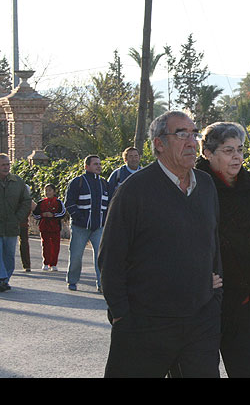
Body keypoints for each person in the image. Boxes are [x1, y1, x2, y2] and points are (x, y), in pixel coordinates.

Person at [98, 110, 224, 378]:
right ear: (159, 144)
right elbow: (111, 257)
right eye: (182, 134)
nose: (192, 142)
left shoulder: (205, 185)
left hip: (200, 322)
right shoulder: (134, 190)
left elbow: (213, 245)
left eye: (194, 134)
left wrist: (214, 298)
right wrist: (121, 315)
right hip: (145, 324)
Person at [188, 121, 250, 378]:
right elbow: (186, 241)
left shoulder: (248, 185)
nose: (237, 157)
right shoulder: (194, 186)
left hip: (243, 300)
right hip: (203, 301)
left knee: (248, 369)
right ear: (208, 153)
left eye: (240, 150)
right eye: (228, 151)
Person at [64, 155, 109, 292]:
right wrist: (79, 218)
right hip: (80, 227)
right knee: (76, 256)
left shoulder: (104, 183)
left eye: (99, 164)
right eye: (95, 164)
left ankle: (102, 284)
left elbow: (109, 204)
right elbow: (69, 203)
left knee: (101, 257)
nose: (99, 166)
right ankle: (72, 281)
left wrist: (105, 220)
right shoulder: (77, 182)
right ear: (86, 166)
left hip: (99, 228)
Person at [0, 154, 32, 292]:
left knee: (9, 256)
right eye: (3, 165)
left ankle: (5, 280)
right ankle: (1, 278)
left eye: (8, 164)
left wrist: (18, 218)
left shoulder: (18, 182)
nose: (6, 167)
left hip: (11, 226)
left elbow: (26, 201)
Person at [33, 184, 66, 271]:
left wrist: (53, 215)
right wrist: (42, 215)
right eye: (46, 190)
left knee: (55, 246)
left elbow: (62, 213)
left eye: (50, 190)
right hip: (44, 228)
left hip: (55, 228)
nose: (48, 192)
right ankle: (46, 263)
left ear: (54, 192)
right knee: (45, 245)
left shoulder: (58, 202)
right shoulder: (41, 203)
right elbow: (35, 214)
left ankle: (53, 264)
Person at [18, 185, 36, 272]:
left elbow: (36, 209)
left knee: (23, 244)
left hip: (20, 225)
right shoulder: (27, 201)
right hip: (16, 224)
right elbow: (36, 209)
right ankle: (27, 265)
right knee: (24, 244)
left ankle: (27, 265)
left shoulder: (27, 201)